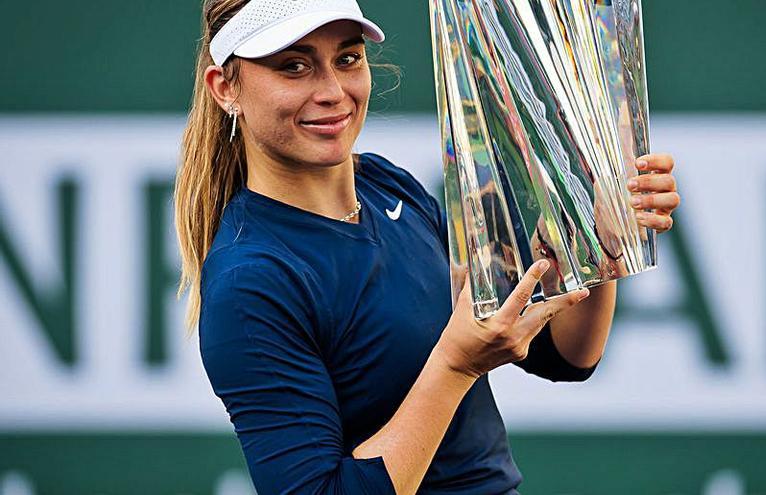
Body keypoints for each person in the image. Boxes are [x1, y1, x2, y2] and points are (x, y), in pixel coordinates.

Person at [174, 1, 682, 494]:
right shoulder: (251, 280)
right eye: (294, 66)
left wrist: (597, 243)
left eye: (347, 58)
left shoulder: (387, 185)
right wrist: (456, 365)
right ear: (225, 89)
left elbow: (565, 357)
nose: (332, 91)